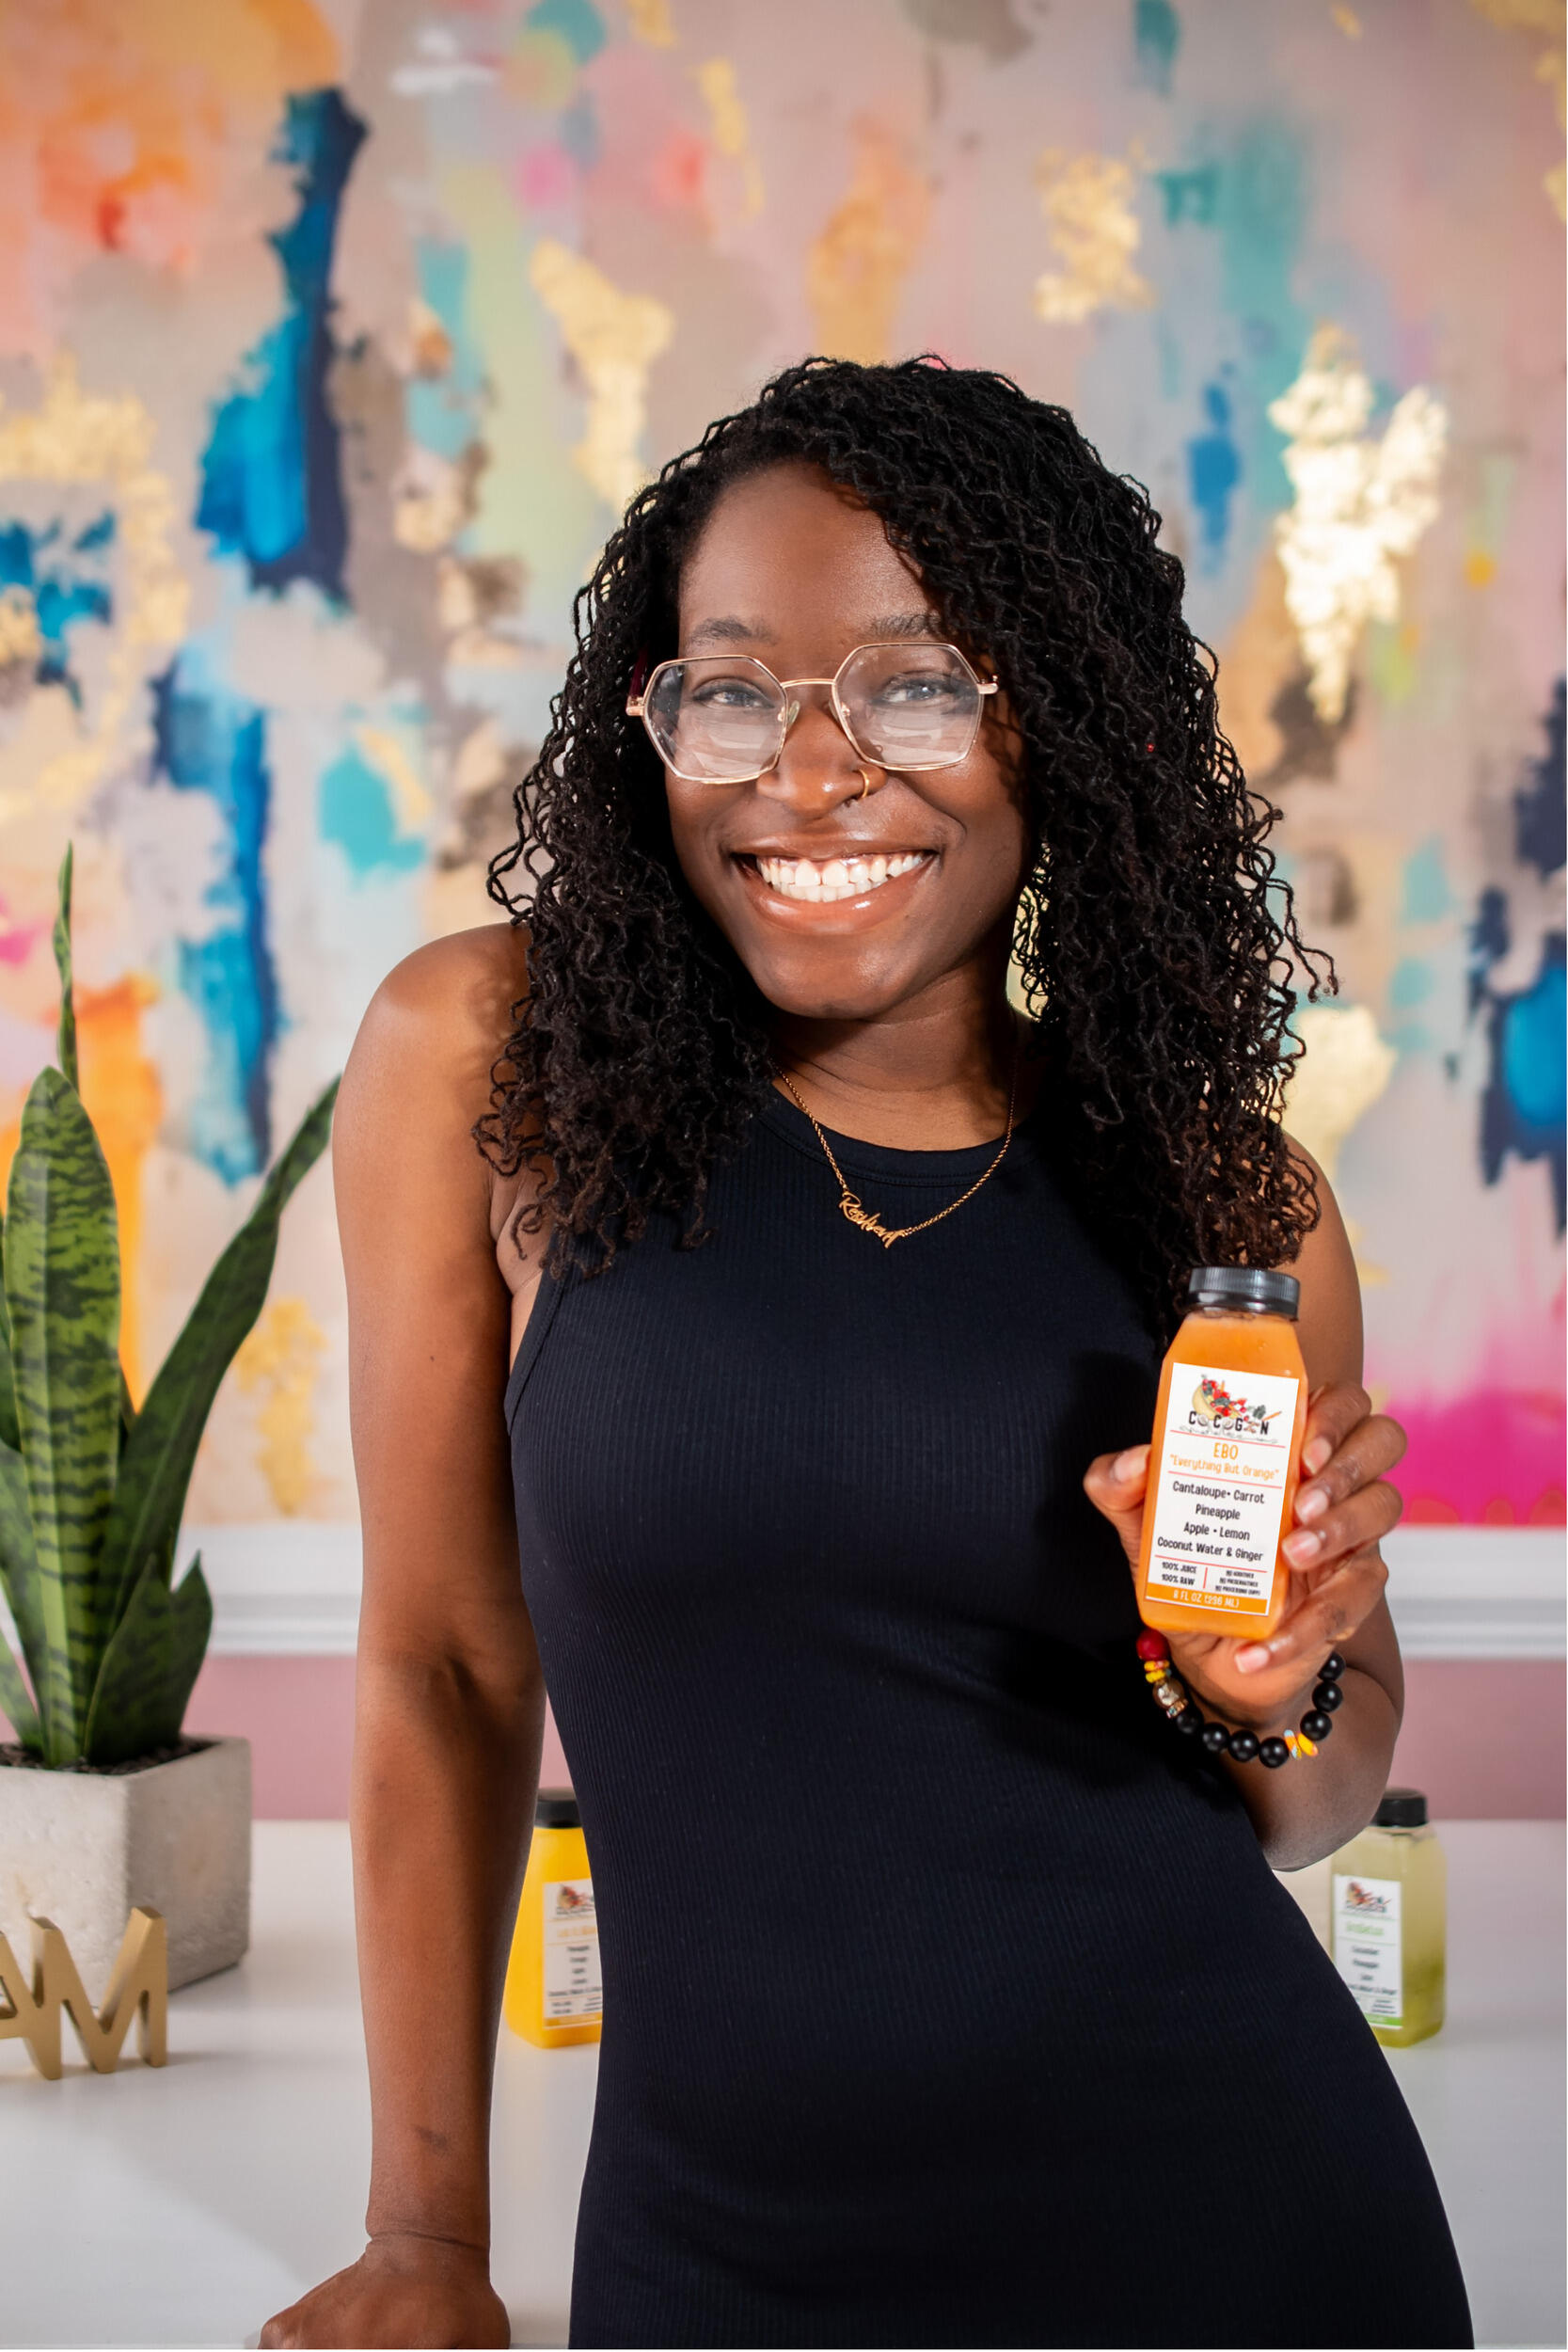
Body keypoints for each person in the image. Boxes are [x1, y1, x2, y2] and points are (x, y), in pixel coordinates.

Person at [261, 358, 1471, 2350]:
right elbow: (451, 1668)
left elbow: (1324, 1788)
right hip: (718, 2268)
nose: (810, 774)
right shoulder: (494, 1069)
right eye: (730, 690)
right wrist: (424, 2233)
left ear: (1051, 728)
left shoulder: (1225, 1205)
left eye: (917, 688)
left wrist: (1262, 1686)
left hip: (1238, 2231)